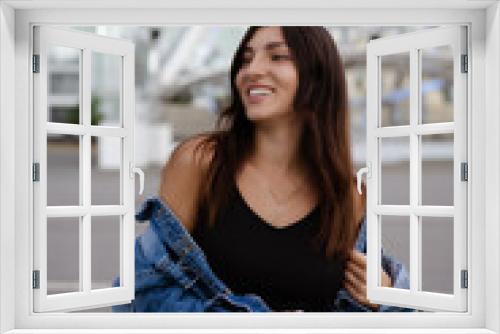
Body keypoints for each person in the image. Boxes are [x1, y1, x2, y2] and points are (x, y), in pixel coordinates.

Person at [154, 26, 408, 312]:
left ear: (317, 75)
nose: (252, 70)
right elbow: (150, 288)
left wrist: (385, 298)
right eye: (246, 59)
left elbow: (369, 309)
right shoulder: (201, 162)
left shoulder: (350, 194)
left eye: (277, 56)